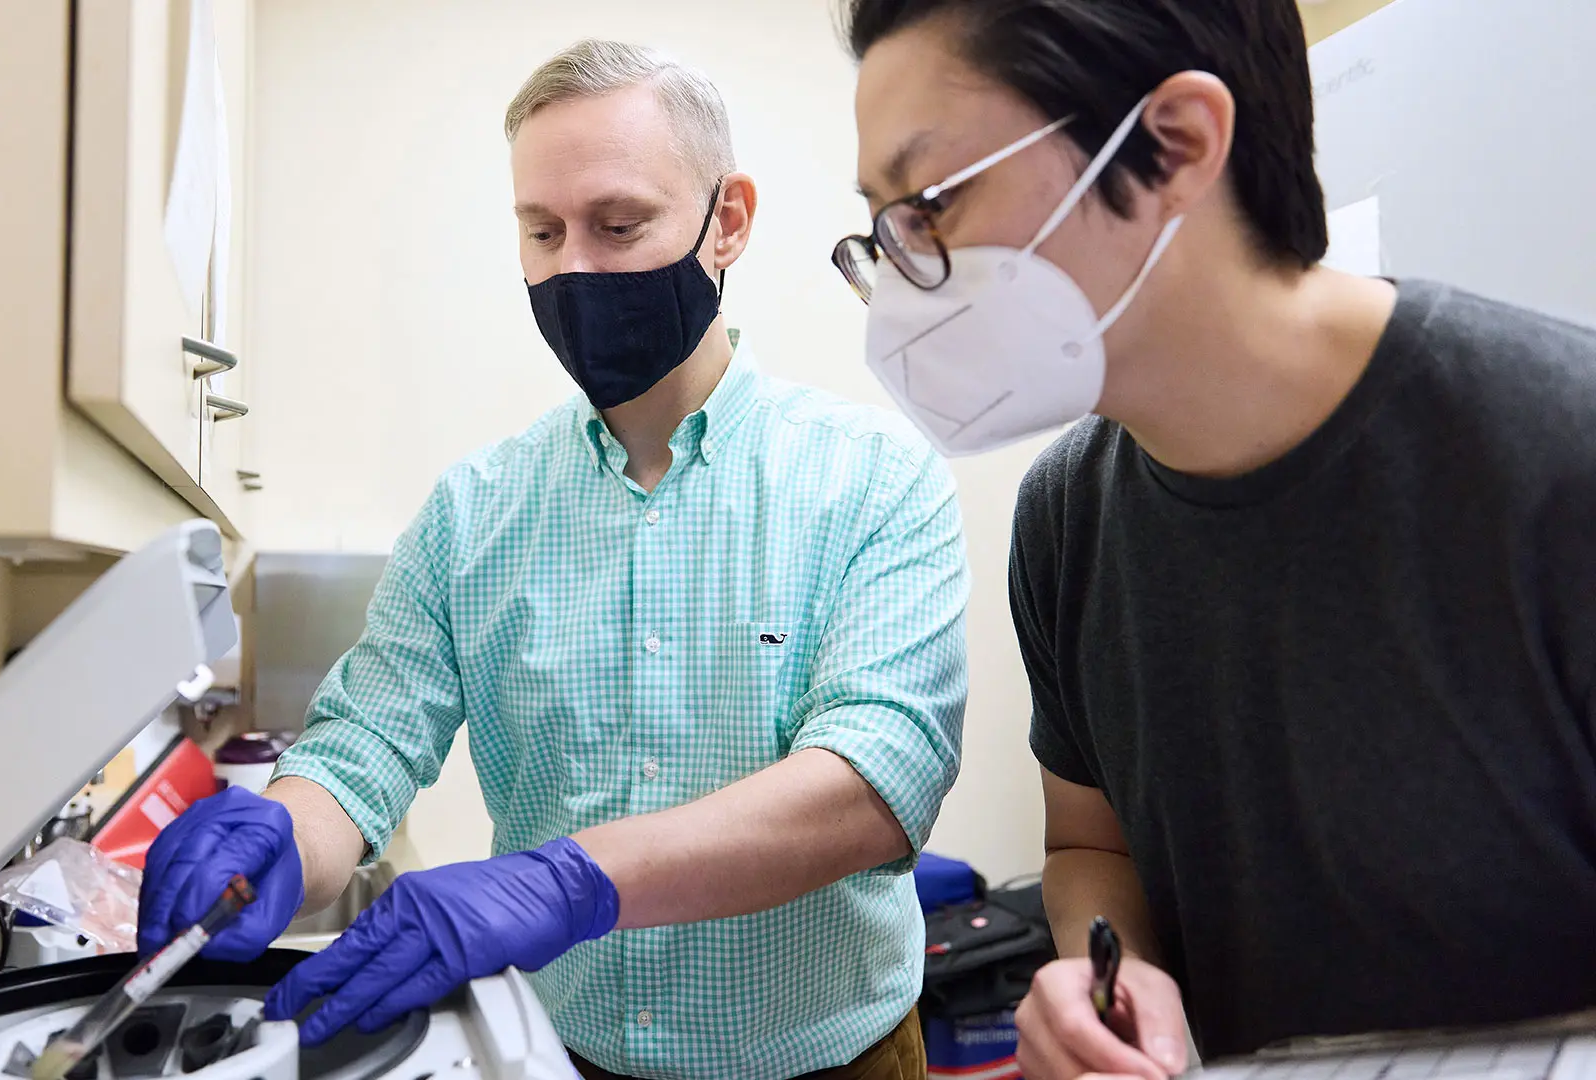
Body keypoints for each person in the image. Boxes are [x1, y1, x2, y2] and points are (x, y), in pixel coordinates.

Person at [139, 39, 970, 1080]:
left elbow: (875, 781)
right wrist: (276, 839)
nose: (575, 266)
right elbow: (361, 756)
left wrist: (571, 881)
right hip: (555, 1055)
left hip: (827, 1060)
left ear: (728, 219)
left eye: (619, 226)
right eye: (543, 231)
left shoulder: (875, 479)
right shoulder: (473, 515)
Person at [836, 0, 1596, 1077]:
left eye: (932, 204)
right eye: (884, 227)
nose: (908, 275)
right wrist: (1108, 975)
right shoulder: (1068, 518)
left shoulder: (1558, 461)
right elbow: (1090, 846)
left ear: (1177, 142)